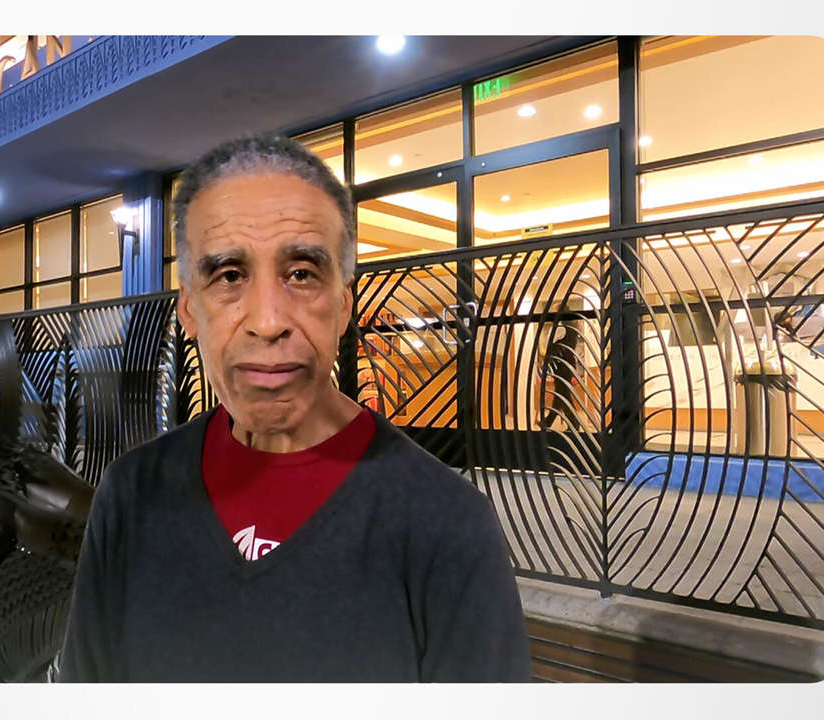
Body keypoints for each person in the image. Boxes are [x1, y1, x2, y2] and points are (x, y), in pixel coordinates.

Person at [57, 135, 530, 682]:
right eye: (229, 276)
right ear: (189, 311)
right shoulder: (131, 493)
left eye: (302, 273)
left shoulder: (447, 524)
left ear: (344, 305)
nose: (268, 322)